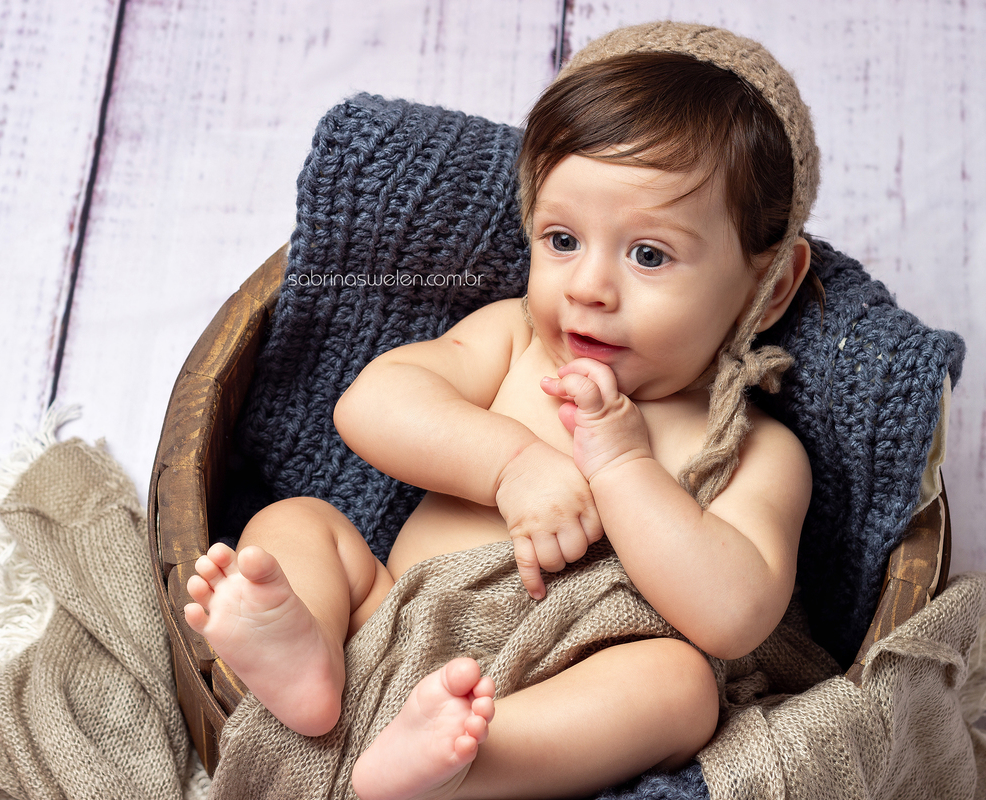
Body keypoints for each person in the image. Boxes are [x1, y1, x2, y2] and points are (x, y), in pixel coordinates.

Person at [185, 21, 821, 800]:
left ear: (770, 286)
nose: (589, 287)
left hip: (559, 684)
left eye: (648, 254)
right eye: (562, 239)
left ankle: (465, 766)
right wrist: (513, 464)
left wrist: (623, 465)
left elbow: (734, 615)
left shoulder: (752, 449)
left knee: (681, 687)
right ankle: (304, 659)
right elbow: (373, 403)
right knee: (299, 523)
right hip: (388, 620)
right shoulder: (515, 339)